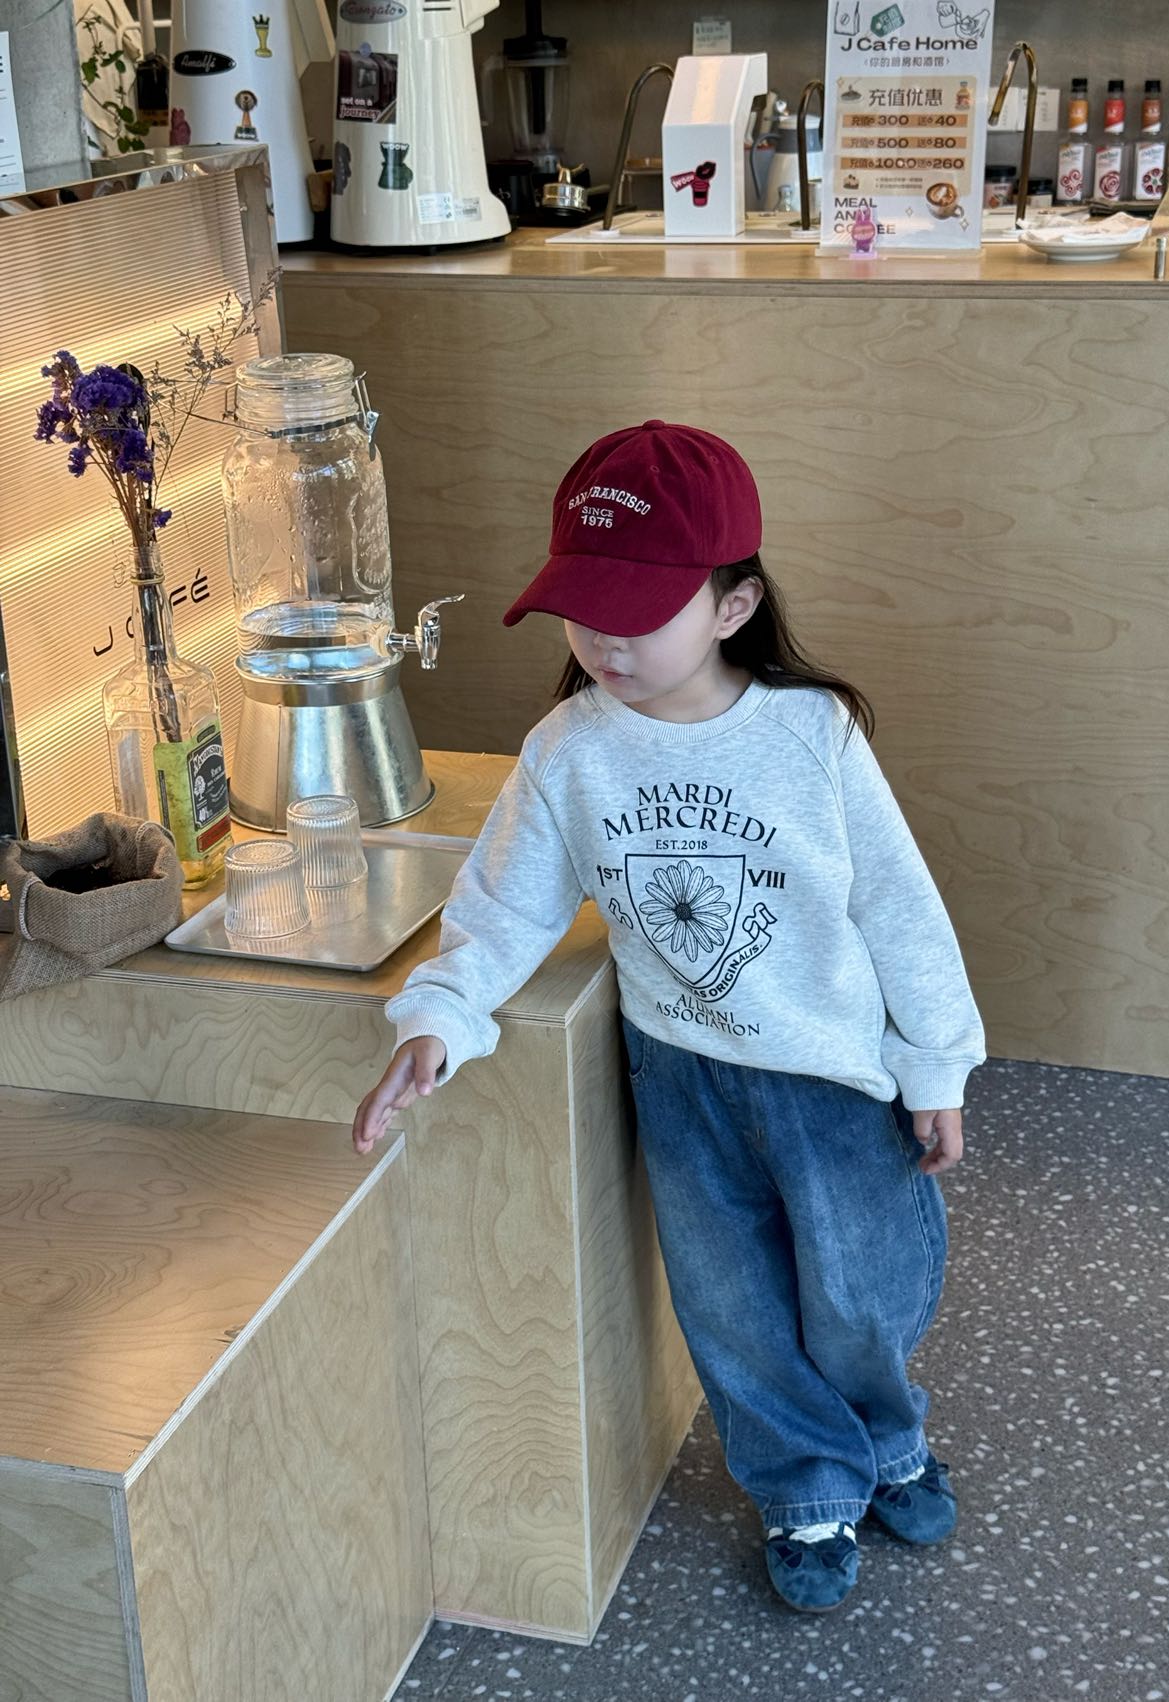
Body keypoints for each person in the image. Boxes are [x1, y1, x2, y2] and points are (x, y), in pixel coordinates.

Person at [353, 420, 985, 1613]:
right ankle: (804, 1481)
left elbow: (900, 907)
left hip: (828, 1075)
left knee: (860, 1293)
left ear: (734, 605)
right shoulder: (568, 751)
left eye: (636, 612)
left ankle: (884, 1431)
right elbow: (503, 907)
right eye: (582, 610)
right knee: (731, 1306)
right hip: (682, 1078)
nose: (604, 641)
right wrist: (439, 1015)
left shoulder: (810, 734)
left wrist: (936, 1063)